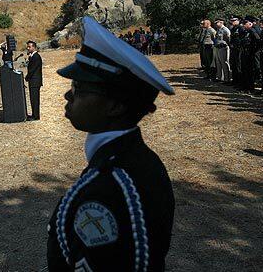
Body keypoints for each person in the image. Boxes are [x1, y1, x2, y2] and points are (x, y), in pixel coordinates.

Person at [47, 16, 174, 271]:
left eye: (80, 89)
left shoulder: (109, 186)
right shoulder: (134, 161)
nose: (68, 94)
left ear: (115, 106)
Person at [25, 40, 42, 121]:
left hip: (35, 81)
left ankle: (36, 116)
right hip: (33, 81)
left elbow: (33, 69)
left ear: (34, 47)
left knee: (35, 99)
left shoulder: (36, 57)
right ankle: (34, 114)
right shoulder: (32, 56)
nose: (28, 48)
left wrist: (27, 77)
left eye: (29, 46)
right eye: (27, 46)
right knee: (32, 99)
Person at [214, 18, 231, 83]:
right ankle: (219, 77)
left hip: (223, 48)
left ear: (221, 22)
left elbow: (228, 38)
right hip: (218, 47)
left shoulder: (225, 29)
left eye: (217, 23)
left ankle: (227, 79)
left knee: (224, 63)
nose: (215, 24)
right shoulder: (218, 30)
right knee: (218, 63)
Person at [229, 16, 243, 86]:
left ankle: (239, 82)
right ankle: (234, 80)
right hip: (233, 49)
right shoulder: (233, 28)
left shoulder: (240, 28)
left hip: (238, 49)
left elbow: (241, 39)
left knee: (238, 65)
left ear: (238, 20)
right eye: (232, 21)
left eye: (234, 20)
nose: (232, 22)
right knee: (234, 65)